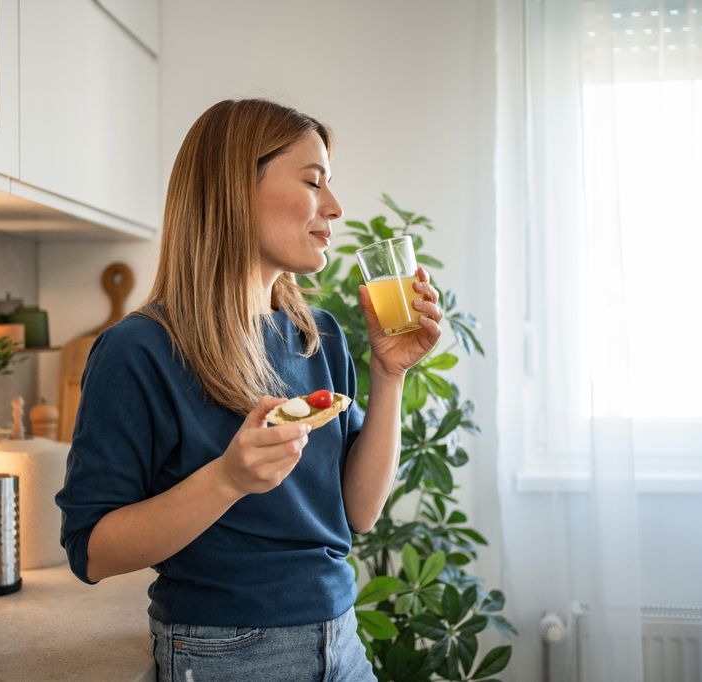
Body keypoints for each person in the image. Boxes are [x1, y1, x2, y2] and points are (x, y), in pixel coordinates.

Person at [55, 98, 443, 681]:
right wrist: (227, 480)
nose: (334, 209)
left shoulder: (321, 336)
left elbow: (360, 512)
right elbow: (91, 550)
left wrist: (391, 376)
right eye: (314, 183)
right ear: (235, 189)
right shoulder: (138, 351)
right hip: (223, 652)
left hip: (342, 638)